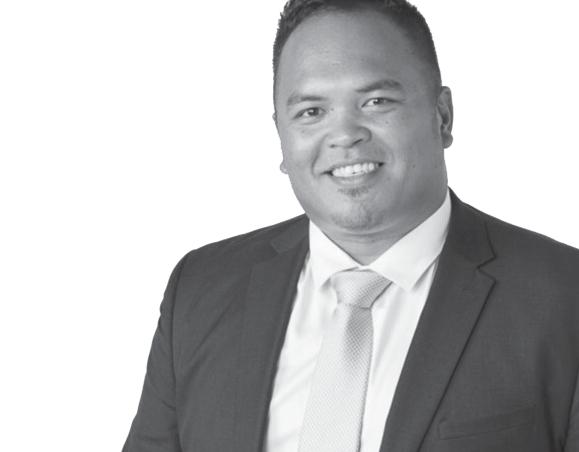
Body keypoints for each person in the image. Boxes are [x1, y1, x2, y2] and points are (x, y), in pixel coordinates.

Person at [123, 0, 579, 451]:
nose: (344, 135)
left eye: (376, 101)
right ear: (281, 135)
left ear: (442, 117)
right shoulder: (201, 289)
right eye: (311, 112)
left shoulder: (563, 297)